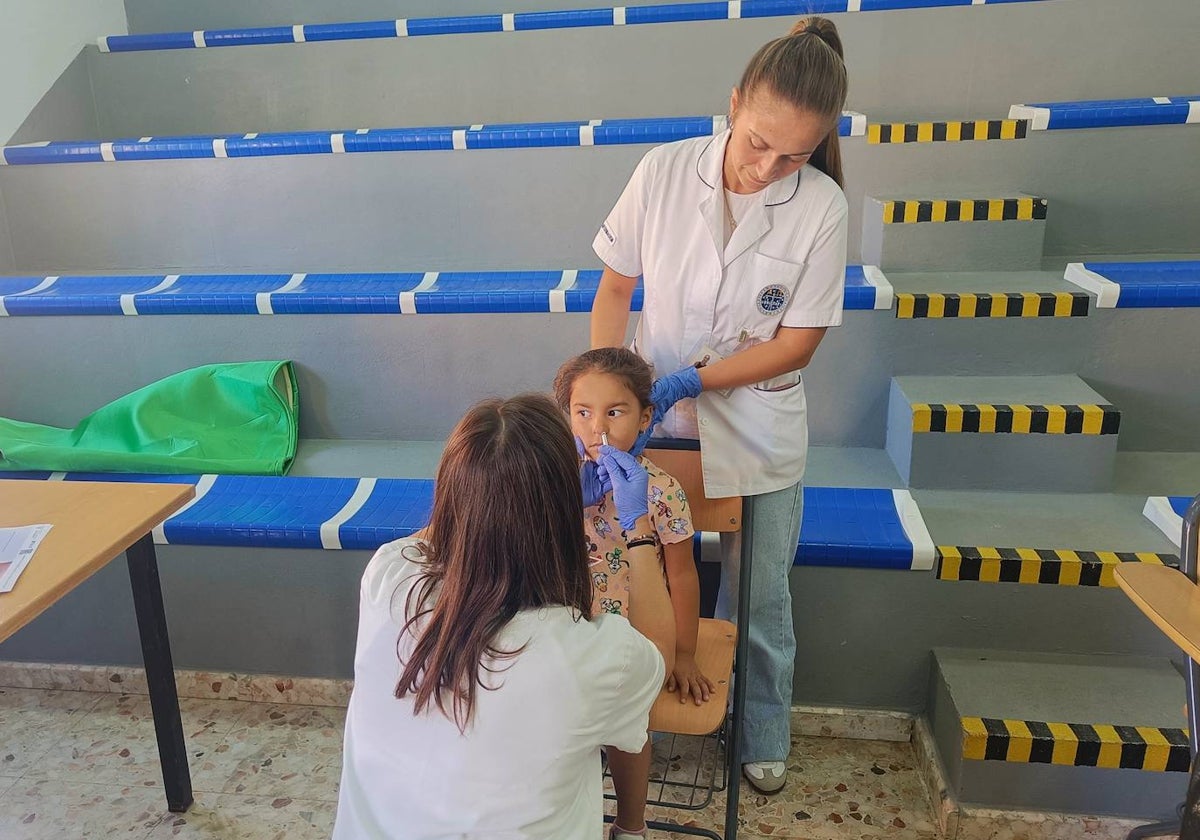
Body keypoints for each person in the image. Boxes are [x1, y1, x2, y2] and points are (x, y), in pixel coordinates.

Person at [589, 16, 849, 794]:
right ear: (733, 103)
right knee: (641, 570)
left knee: (758, 594)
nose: (771, 168)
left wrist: (701, 379)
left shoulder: (823, 207)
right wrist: (610, 389)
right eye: (759, 143)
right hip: (655, 419)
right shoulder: (664, 171)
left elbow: (798, 342)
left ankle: (760, 730)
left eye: (795, 155)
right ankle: (638, 706)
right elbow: (614, 287)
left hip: (758, 428)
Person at [333, 394, 676, 839]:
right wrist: (637, 525)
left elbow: (452, 525)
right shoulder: (590, 654)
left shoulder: (388, 574)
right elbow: (657, 656)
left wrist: (511, 484)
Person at [554, 348, 714, 840]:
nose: (596, 431)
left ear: (646, 417)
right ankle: (566, 814)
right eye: (582, 413)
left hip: (636, 637)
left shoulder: (660, 490)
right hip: (564, 633)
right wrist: (557, 503)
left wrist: (684, 653)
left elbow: (683, 577)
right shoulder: (555, 483)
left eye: (614, 412)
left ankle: (629, 825)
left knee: (629, 727)